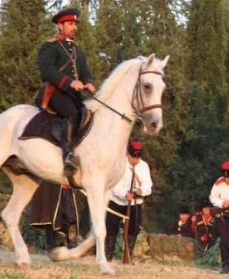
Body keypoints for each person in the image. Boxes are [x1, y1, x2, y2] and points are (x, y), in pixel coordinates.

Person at [36, 8, 95, 177]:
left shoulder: (77, 51)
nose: (74, 27)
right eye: (70, 24)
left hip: (73, 95)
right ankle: (68, 157)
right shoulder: (50, 47)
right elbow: (46, 71)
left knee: (88, 114)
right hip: (55, 93)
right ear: (60, 26)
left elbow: (85, 72)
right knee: (72, 114)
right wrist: (70, 82)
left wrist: (89, 83)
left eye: (75, 24)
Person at [104, 140, 152, 261]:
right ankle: (108, 256)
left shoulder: (144, 166)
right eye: (133, 157)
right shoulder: (119, 164)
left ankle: (128, 256)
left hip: (135, 203)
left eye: (137, 158)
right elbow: (114, 184)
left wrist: (140, 191)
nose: (135, 160)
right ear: (128, 155)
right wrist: (125, 194)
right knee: (111, 228)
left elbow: (148, 185)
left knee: (134, 229)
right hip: (117, 201)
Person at [29, 181, 79, 250]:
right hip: (52, 186)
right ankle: (51, 248)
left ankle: (72, 246)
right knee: (50, 217)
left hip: (67, 188)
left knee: (71, 217)